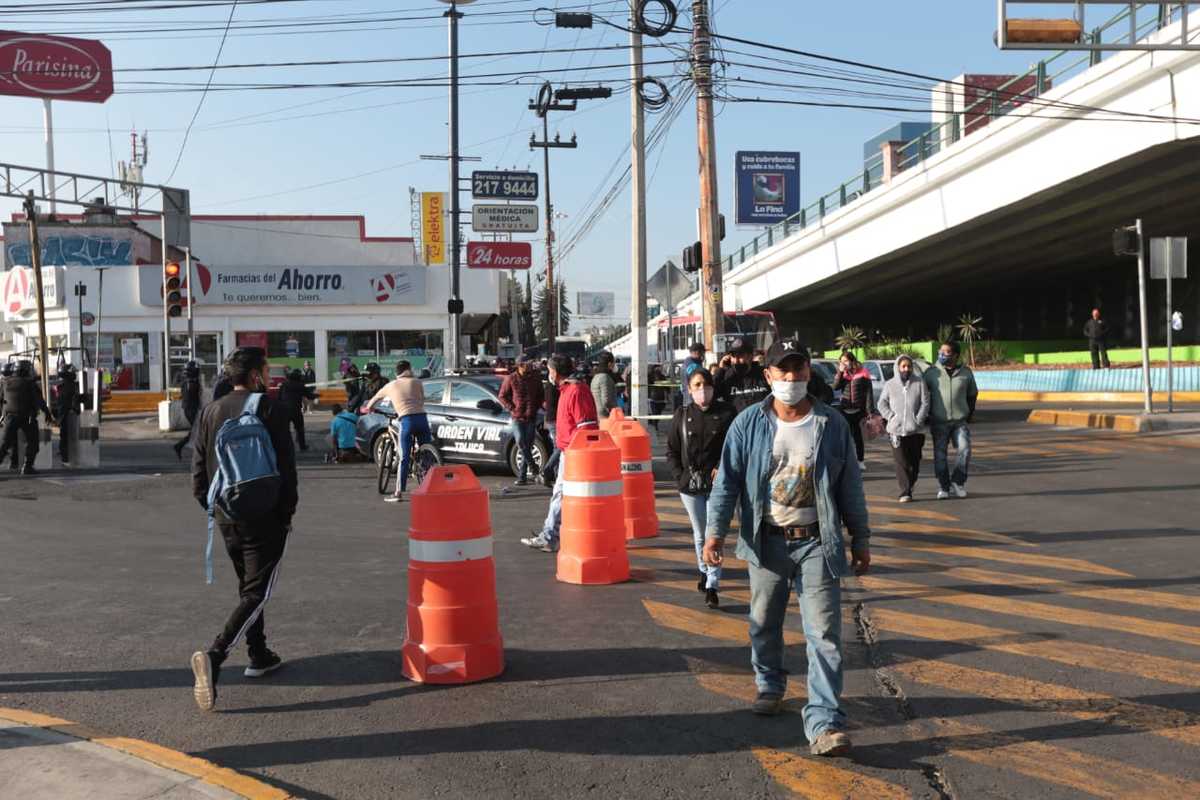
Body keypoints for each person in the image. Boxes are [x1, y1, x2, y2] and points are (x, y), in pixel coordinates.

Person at [702, 339, 870, 757]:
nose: (792, 378)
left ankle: (824, 722)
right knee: (763, 622)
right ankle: (770, 683)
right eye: (784, 370)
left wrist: (861, 537)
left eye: (799, 369)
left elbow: (850, 486)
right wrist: (714, 533)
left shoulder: (831, 424)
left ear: (809, 372)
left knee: (824, 635)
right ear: (768, 376)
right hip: (766, 542)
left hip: (817, 542)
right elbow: (727, 483)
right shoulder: (747, 424)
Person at [189, 347, 298, 711]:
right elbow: (287, 468)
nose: (268, 377)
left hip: (226, 515)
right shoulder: (270, 408)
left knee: (247, 587)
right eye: (265, 371)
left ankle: (259, 653)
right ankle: (215, 656)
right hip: (265, 515)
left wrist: (214, 507)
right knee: (257, 593)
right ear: (254, 376)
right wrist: (286, 513)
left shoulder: (211, 411)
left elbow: (198, 472)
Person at [667, 368, 736, 609]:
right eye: (697, 385)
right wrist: (680, 477)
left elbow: (733, 447)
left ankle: (712, 585)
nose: (702, 390)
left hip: (718, 485)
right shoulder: (682, 415)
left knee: (713, 533)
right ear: (689, 388)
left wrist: (721, 467)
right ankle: (704, 571)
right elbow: (672, 451)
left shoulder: (726, 413)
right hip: (690, 486)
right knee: (699, 533)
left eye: (706, 385)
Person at [522, 355, 597, 553]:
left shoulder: (575, 391)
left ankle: (550, 537)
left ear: (555, 372)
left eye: (550, 370)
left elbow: (586, 427)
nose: (548, 374)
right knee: (561, 494)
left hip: (574, 453)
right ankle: (551, 536)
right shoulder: (567, 389)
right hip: (569, 451)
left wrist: (578, 453)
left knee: (561, 494)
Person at [365, 360, 430, 503]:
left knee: (403, 457)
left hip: (407, 420)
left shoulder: (391, 385)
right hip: (422, 419)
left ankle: (398, 493)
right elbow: (422, 399)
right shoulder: (417, 382)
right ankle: (428, 483)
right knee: (426, 455)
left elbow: (374, 399)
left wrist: (368, 408)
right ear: (409, 369)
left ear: (397, 372)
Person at [924, 341, 979, 500]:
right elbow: (921, 394)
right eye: (940, 351)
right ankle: (944, 486)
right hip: (939, 421)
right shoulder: (931, 373)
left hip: (959, 422)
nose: (941, 354)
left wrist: (968, 414)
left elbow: (972, 394)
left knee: (965, 449)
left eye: (946, 352)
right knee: (940, 455)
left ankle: (958, 481)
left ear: (955, 355)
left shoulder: (966, 372)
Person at [877, 355, 929, 503]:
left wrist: (918, 420)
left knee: (914, 462)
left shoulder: (919, 382)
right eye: (903, 366)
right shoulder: (890, 384)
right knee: (901, 462)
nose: (906, 369)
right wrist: (891, 416)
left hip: (916, 430)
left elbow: (925, 403)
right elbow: (881, 403)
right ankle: (905, 492)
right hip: (896, 430)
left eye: (909, 366)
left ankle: (910, 484)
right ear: (898, 368)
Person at [498, 354, 545, 486]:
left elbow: (541, 395)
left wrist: (536, 407)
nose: (530, 365)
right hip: (517, 417)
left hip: (531, 416)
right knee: (521, 442)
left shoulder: (535, 378)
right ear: (520, 365)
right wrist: (511, 408)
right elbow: (502, 396)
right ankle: (534, 469)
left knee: (528, 446)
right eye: (527, 363)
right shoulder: (511, 378)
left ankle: (522, 476)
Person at [0, 361, 51, 476]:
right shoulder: (30, 383)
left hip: (9, 417)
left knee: (5, 444)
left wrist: (2, 416)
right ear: (25, 370)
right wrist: (47, 413)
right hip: (27, 417)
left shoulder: (5, 382)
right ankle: (27, 467)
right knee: (33, 443)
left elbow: (1, 400)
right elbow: (39, 401)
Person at [833, 351, 872, 471]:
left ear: (852, 361)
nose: (843, 363)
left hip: (858, 411)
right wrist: (840, 372)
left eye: (845, 361)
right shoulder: (842, 374)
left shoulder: (863, 373)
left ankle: (860, 460)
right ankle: (845, 461)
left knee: (858, 437)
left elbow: (869, 393)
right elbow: (835, 387)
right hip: (844, 410)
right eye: (841, 361)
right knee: (845, 437)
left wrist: (869, 411)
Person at [714, 337, 770, 413]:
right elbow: (712, 395)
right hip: (736, 419)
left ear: (750, 356)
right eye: (733, 356)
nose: (736, 360)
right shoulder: (727, 376)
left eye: (740, 355)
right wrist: (720, 370)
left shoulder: (763, 374)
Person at [277, 369, 313, 451]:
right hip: (296, 410)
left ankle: (284, 447)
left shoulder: (284, 385)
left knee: (284, 430)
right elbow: (309, 396)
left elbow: (279, 398)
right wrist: (318, 395)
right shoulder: (300, 385)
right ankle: (302, 446)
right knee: (300, 429)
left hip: (284, 410)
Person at [174, 361, 203, 461]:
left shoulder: (188, 381)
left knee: (196, 431)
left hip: (190, 408)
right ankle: (182, 446)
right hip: (191, 409)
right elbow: (193, 396)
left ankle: (180, 446)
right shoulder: (190, 382)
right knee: (197, 431)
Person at [54, 362, 82, 466]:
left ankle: (68, 457)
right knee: (66, 437)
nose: (74, 374)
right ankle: (65, 458)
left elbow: (73, 399)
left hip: (67, 414)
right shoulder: (67, 385)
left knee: (67, 436)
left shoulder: (67, 384)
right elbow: (69, 401)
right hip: (67, 415)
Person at [541, 368, 561, 486]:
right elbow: (552, 404)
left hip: (552, 419)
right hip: (554, 420)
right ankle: (546, 471)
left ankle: (556, 475)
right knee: (560, 447)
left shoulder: (550, 386)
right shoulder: (551, 387)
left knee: (556, 447)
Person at [590, 351, 618, 419]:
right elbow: (606, 400)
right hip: (605, 416)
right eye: (614, 363)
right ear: (609, 364)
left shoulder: (595, 377)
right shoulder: (605, 377)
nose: (614, 365)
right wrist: (616, 408)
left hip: (596, 413)